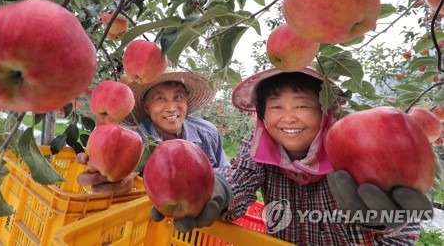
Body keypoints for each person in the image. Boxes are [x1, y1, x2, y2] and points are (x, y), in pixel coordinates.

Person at [151, 67, 433, 244]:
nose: (288, 118)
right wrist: (218, 190)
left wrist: (382, 221)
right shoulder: (260, 147)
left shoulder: (352, 149)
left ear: (324, 111)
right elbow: (240, 176)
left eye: (301, 106)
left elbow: (404, 227)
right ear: (262, 115)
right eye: (275, 108)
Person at [77, 69, 230, 192]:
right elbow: (127, 179)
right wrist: (119, 178)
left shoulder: (207, 133)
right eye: (160, 98)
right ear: (146, 107)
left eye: (178, 97)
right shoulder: (133, 143)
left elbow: (228, 176)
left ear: (186, 102)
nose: (171, 108)